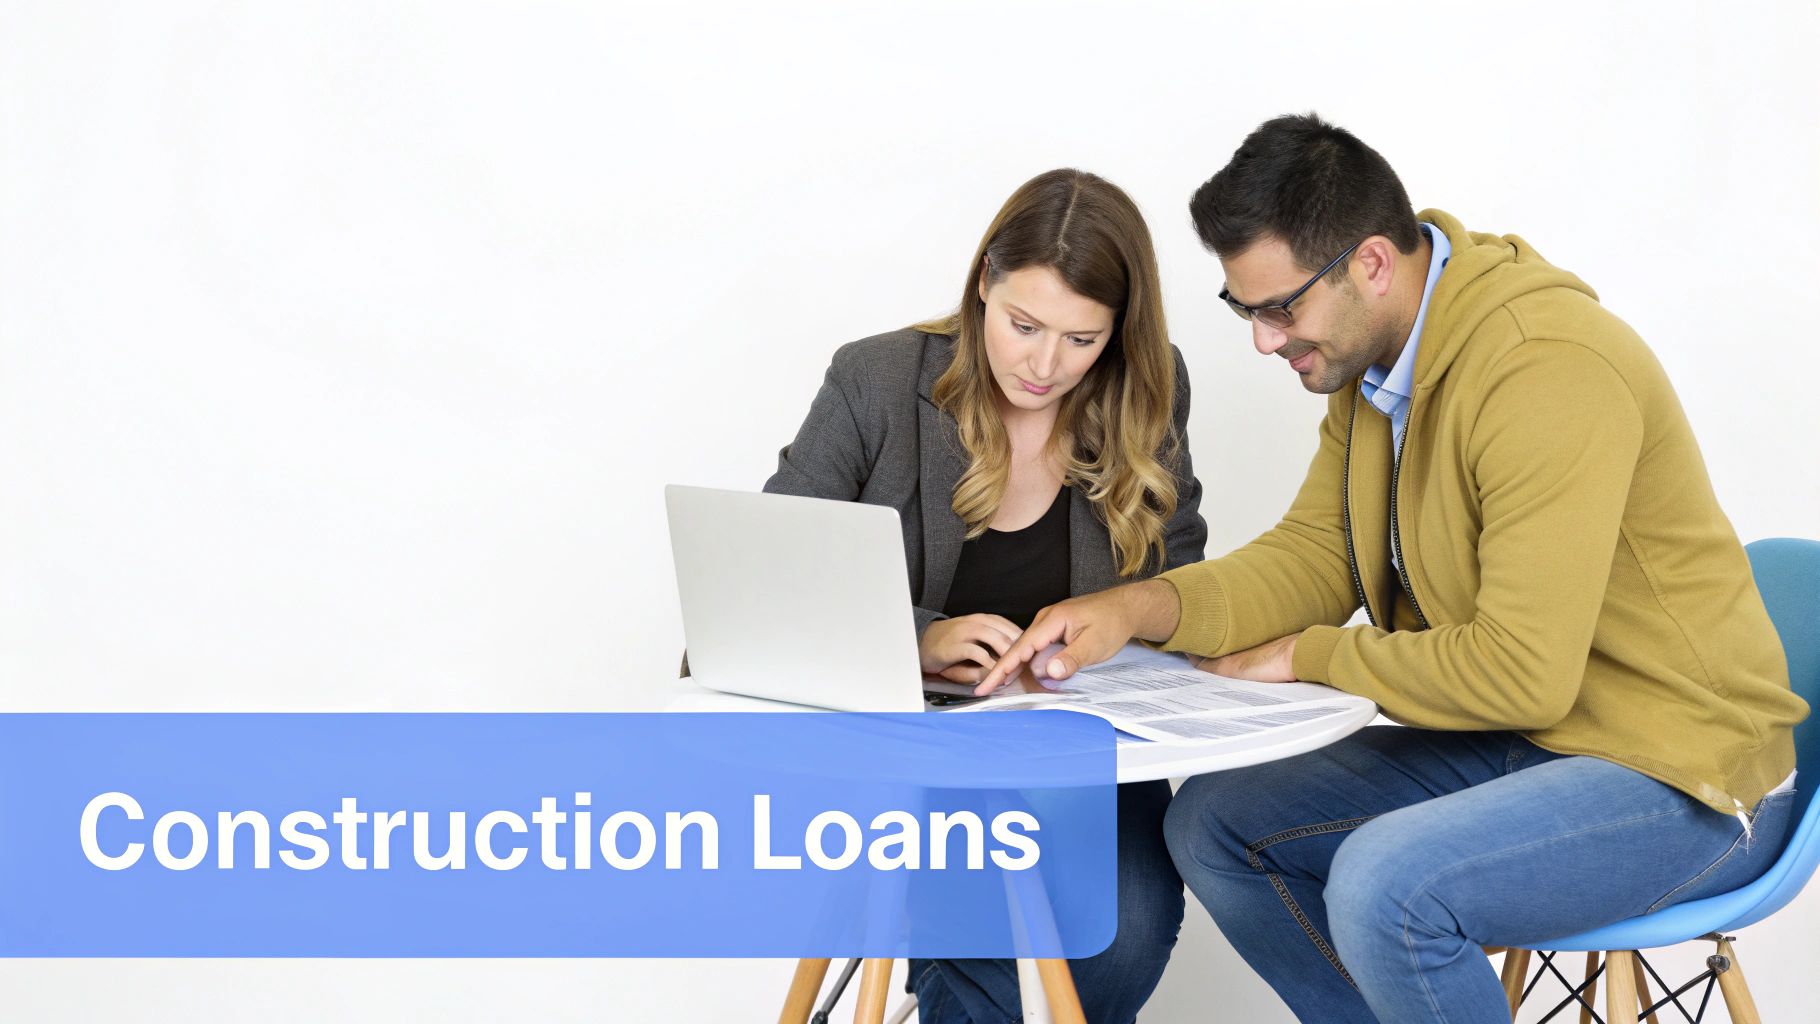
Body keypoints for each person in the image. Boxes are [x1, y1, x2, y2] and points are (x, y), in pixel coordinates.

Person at [980, 115, 1808, 1023]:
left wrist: (1313, 656)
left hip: (1681, 772)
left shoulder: (1545, 369)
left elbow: (1523, 674)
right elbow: (1314, 556)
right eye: (1244, 309)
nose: (1263, 340)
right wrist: (1135, 608)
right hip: (1531, 746)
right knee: (1215, 825)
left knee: (1390, 886)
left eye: (1280, 308)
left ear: (1371, 263)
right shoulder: (1379, 374)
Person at [764, 168, 1207, 1023]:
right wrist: (918, 639)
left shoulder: (1150, 388)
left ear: (1118, 334)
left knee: (1129, 928)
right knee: (979, 921)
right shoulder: (879, 381)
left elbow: (1180, 576)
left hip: (1085, 749)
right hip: (923, 755)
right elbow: (773, 585)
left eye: (1081, 340)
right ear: (982, 285)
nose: (1045, 365)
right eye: (1024, 324)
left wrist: (1116, 626)